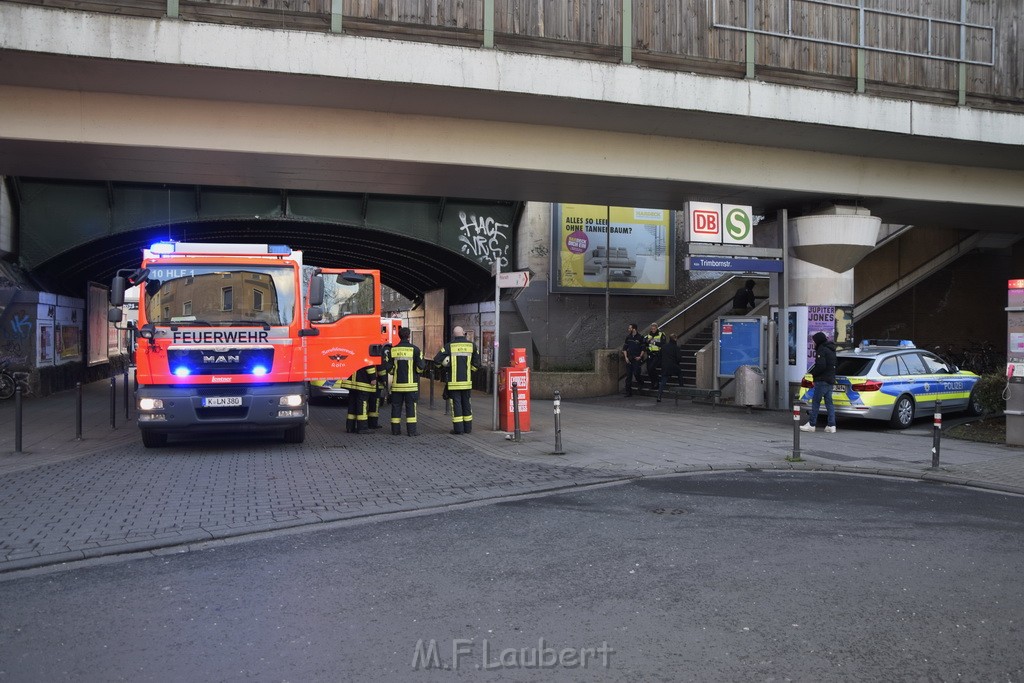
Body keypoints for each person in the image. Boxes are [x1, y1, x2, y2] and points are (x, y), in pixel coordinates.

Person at [434, 326, 481, 435]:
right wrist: (470, 372)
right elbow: (476, 364)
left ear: (454, 335)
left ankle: (458, 429)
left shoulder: (449, 346)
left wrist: (444, 368)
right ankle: (468, 428)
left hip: (453, 383)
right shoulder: (472, 346)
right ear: (464, 333)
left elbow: (437, 360)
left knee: (456, 405)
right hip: (467, 382)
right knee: (467, 404)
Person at [386, 326, 424, 436]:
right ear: (409, 336)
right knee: (411, 408)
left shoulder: (393, 350)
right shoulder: (416, 350)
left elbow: (388, 367)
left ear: (399, 336)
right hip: (411, 386)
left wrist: (394, 372)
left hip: (397, 386)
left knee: (396, 407)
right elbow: (421, 367)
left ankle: (395, 430)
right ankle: (411, 431)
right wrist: (415, 372)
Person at [801, 331, 838, 433]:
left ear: (818, 341)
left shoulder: (821, 350)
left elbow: (821, 366)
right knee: (829, 403)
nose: (813, 343)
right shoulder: (831, 349)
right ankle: (831, 425)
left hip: (822, 380)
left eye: (814, 341)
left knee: (816, 402)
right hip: (830, 379)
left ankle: (812, 424)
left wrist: (814, 374)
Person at [341, 365, 377, 434]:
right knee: (362, 404)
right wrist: (373, 377)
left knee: (352, 404)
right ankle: (362, 427)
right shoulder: (364, 353)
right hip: (363, 381)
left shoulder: (354, 353)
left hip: (351, 381)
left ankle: (350, 427)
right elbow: (368, 363)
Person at [657, 334, 684, 403]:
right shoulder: (676, 347)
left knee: (663, 381)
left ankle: (659, 396)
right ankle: (682, 388)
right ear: (675, 339)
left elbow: (659, 356)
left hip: (665, 366)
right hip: (673, 366)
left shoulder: (664, 347)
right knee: (680, 373)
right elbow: (679, 358)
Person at [642, 323, 667, 392]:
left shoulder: (661, 334)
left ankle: (656, 382)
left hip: (657, 354)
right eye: (652, 328)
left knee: (652, 367)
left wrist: (654, 342)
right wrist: (647, 341)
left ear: (657, 328)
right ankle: (654, 383)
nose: (653, 330)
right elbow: (644, 341)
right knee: (649, 369)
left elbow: (663, 344)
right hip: (650, 354)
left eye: (654, 328)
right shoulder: (648, 335)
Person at [621, 323, 645, 396]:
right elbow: (624, 349)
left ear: (634, 329)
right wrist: (626, 357)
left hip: (637, 358)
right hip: (629, 359)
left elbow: (643, 349)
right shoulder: (628, 337)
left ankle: (641, 383)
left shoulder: (640, 337)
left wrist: (640, 357)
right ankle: (628, 392)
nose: (628, 329)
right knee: (628, 376)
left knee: (636, 373)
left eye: (630, 328)